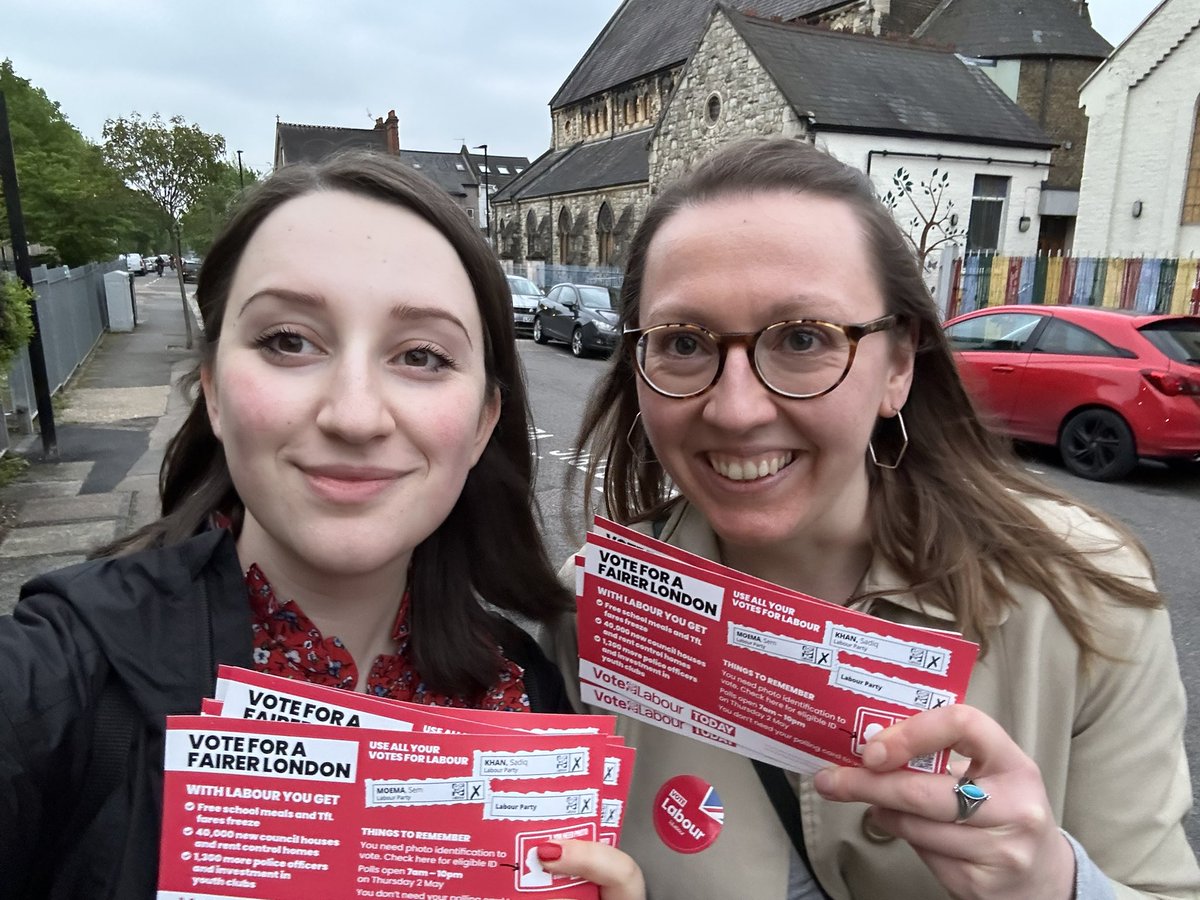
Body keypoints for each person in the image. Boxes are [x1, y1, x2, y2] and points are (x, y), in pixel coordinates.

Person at [552, 137, 1200, 900]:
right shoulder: (591, 606)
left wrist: (1057, 883)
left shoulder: (1086, 601)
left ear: (898, 365)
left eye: (802, 339)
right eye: (684, 344)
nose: (734, 409)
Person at [0, 150, 643, 900]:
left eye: (423, 355)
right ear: (212, 392)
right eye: (288, 341)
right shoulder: (60, 681)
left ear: (481, 423)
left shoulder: (530, 697)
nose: (355, 415)